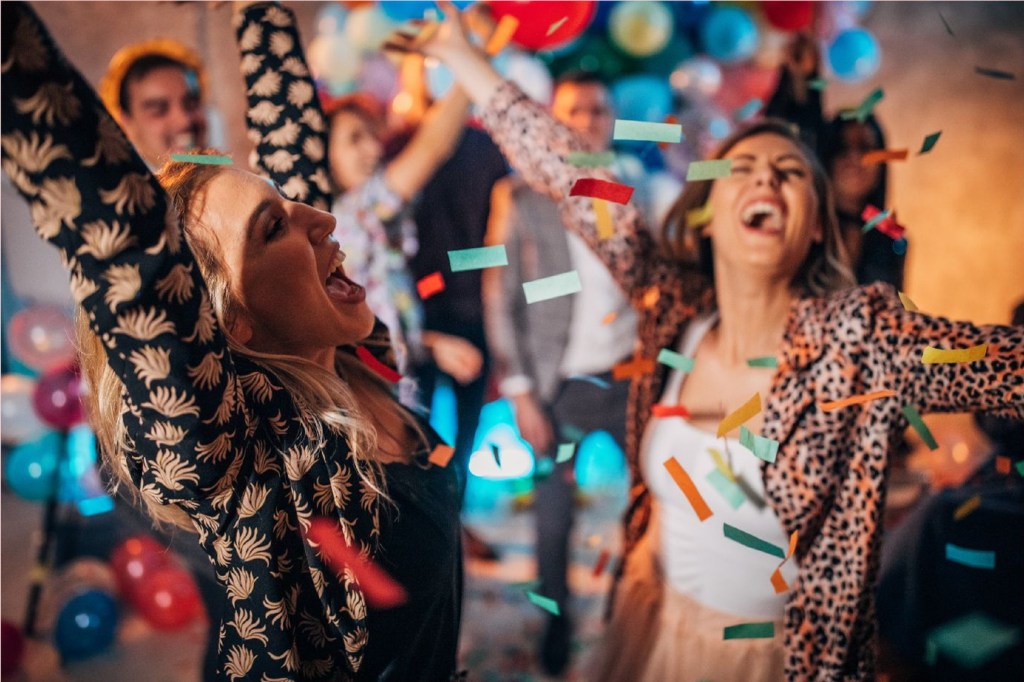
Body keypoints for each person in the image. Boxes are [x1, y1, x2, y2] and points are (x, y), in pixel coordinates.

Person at [389, 6, 1024, 679]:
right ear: (708, 215)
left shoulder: (854, 337)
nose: (765, 180)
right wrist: (464, 61)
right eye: (742, 168)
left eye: (790, 173)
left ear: (814, 226)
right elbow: (567, 169)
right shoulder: (674, 304)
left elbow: (1003, 365)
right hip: (656, 627)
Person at [2, 3, 463, 680]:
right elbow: (122, 238)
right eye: (273, 227)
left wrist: (258, 10)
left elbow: (289, 138)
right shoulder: (245, 444)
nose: (324, 214)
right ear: (227, 323)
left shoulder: (350, 355)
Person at [483, 70, 635, 676]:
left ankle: (631, 611)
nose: (586, 122)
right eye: (574, 110)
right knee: (554, 510)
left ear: (612, 121)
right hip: (560, 384)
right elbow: (500, 299)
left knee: (652, 501)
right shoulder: (520, 196)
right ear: (552, 117)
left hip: (630, 374)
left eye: (598, 111)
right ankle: (556, 618)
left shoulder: (636, 189)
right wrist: (519, 393)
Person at [323, 71, 483, 392]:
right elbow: (432, 147)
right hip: (373, 398)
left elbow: (382, 321)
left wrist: (432, 345)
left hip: (402, 387)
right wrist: (471, 64)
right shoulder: (351, 214)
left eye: (373, 135)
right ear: (325, 155)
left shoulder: (368, 215)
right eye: (355, 139)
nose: (373, 149)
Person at [765, 33, 905, 289]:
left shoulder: (892, 234)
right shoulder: (801, 220)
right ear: (826, 154)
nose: (854, 158)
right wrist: (803, 77)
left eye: (866, 148)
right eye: (841, 147)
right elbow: (787, 137)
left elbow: (898, 314)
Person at [98, 38, 208, 170]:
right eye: (159, 110)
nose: (184, 121)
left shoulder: (231, 182)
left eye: (191, 104)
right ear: (125, 124)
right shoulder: (118, 188)